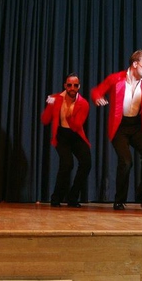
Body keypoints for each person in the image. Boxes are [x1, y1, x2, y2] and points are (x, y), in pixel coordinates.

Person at [91, 50, 142, 211]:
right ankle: (119, 199)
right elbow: (96, 91)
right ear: (135, 64)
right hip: (119, 127)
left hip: (137, 126)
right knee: (126, 161)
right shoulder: (115, 79)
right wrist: (98, 98)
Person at [41, 73, 92, 208]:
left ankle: (73, 197)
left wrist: (69, 115)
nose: (72, 88)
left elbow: (76, 126)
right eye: (69, 85)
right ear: (65, 86)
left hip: (76, 135)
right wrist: (50, 106)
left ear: (79, 87)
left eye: (75, 85)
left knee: (86, 163)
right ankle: (56, 198)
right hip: (61, 135)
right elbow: (45, 120)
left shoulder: (83, 104)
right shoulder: (56, 98)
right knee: (67, 164)